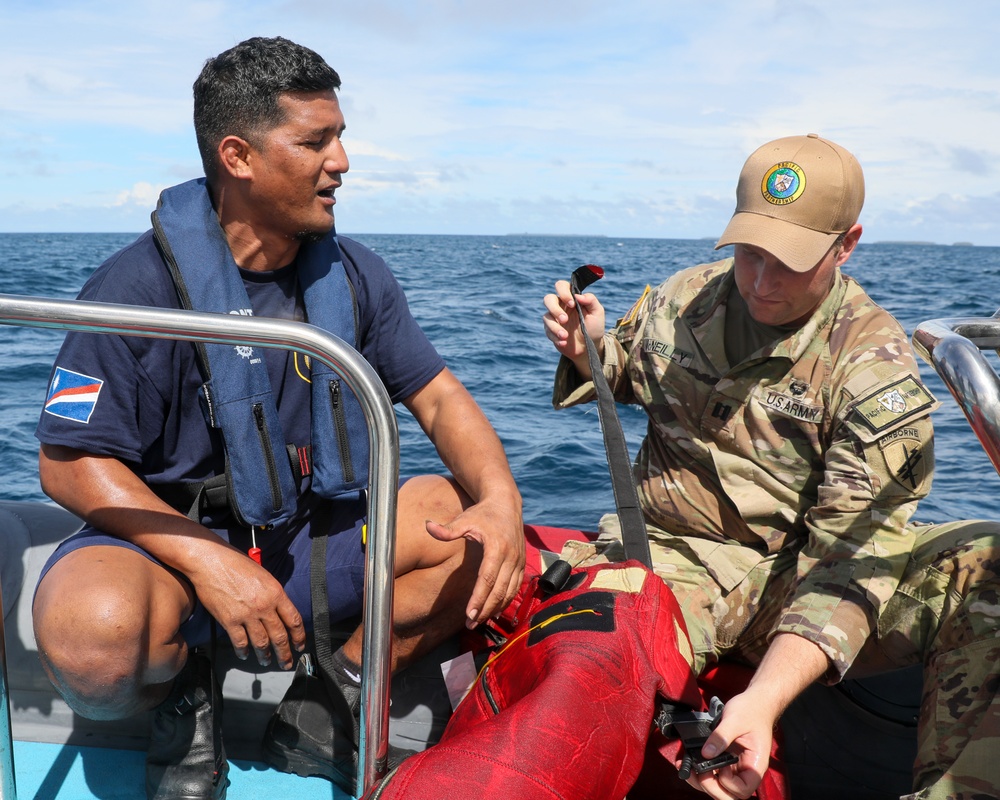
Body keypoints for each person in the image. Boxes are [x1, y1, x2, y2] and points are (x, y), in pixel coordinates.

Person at [32, 36, 524, 800]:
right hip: (172, 545)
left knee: (476, 533)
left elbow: (437, 397)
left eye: (341, 138)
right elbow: (66, 463)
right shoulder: (130, 286)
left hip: (308, 538)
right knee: (92, 639)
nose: (342, 162)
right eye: (315, 141)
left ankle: (338, 692)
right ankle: (182, 706)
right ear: (239, 156)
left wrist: (502, 501)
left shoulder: (355, 274)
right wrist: (212, 561)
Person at [542, 133, 1000, 800]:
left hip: (801, 580)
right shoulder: (684, 299)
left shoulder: (871, 367)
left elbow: (849, 562)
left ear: (847, 244)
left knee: (990, 564)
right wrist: (588, 351)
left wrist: (761, 700)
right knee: (585, 658)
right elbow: (627, 370)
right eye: (749, 252)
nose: (760, 281)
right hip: (673, 561)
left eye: (788, 262)